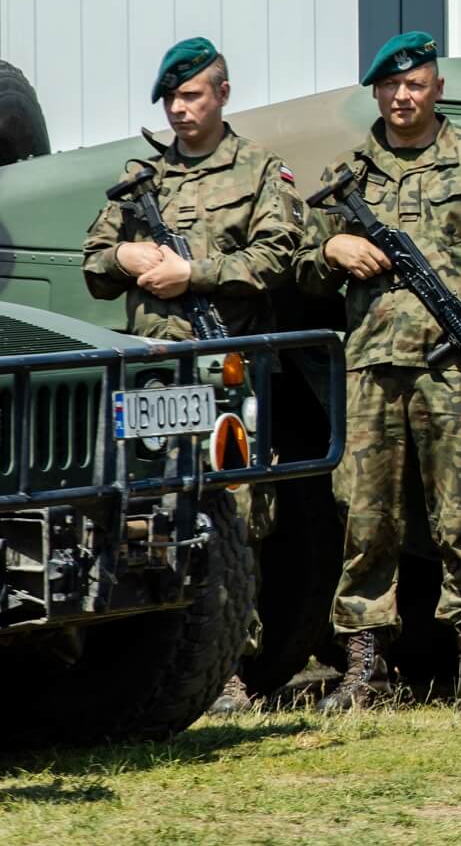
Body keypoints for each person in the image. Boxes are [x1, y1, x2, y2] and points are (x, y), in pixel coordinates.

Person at [296, 31, 461, 718]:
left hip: (454, 371)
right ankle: (363, 668)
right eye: (391, 85)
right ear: (377, 91)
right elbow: (303, 266)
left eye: (415, 84)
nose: (403, 96)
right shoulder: (349, 171)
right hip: (371, 372)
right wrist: (335, 249)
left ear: (437, 88)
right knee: (364, 520)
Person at [82, 36, 304, 716]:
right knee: (144, 509)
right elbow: (93, 263)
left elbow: (280, 256)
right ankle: (149, 657)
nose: (179, 110)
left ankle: (228, 666)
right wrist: (124, 256)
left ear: (222, 94)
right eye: (170, 100)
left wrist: (194, 273)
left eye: (191, 96)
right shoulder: (143, 176)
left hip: (225, 367)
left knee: (234, 511)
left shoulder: (259, 170)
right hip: (151, 374)